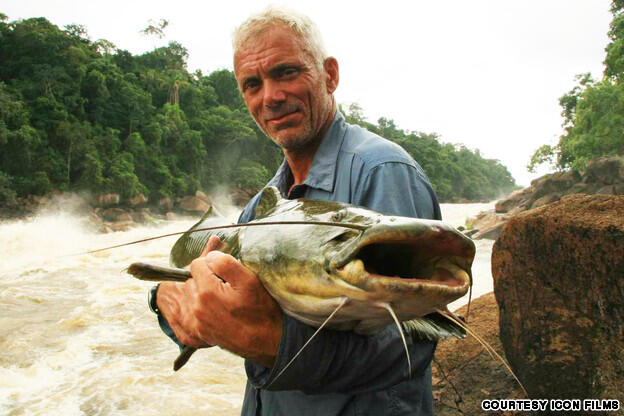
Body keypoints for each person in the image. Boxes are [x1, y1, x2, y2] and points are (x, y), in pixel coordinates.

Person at [152, 6, 442, 415]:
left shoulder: (381, 171)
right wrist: (165, 302)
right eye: (252, 84)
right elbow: (210, 301)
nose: (270, 96)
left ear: (330, 75)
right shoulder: (263, 206)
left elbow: (411, 345)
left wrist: (273, 340)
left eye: (286, 72)